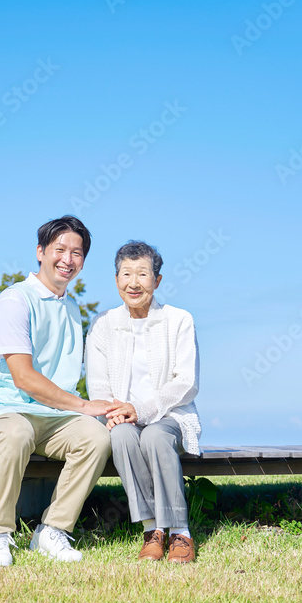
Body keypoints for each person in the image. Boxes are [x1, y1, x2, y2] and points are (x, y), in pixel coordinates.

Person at [0, 215, 117, 567]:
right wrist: (84, 405)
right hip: (4, 408)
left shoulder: (72, 309)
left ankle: (52, 531)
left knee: (96, 439)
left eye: (77, 253)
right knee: (16, 432)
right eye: (59, 249)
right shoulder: (15, 300)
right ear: (40, 252)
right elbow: (24, 378)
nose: (68, 259)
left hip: (52, 416)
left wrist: (100, 409)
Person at [85, 240, 202, 563]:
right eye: (126, 274)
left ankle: (180, 531)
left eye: (142, 274)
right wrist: (114, 411)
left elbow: (186, 383)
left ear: (157, 280)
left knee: (153, 435)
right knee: (122, 436)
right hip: (121, 418)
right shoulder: (102, 325)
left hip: (170, 415)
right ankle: (152, 530)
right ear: (116, 280)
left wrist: (142, 409)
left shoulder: (179, 320)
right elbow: (97, 384)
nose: (133, 283)